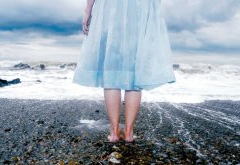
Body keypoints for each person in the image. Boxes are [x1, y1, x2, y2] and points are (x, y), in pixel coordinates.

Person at [73, 0, 176, 143]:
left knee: (111, 66)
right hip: (140, 6)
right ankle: (128, 132)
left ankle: (114, 132)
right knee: (133, 70)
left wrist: (88, 9)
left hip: (110, 5)